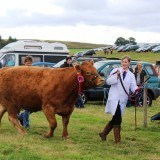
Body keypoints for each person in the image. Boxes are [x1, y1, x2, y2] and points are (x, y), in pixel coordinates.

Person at [99, 55, 139, 143]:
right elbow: (108, 82)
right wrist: (116, 76)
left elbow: (133, 86)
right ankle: (117, 140)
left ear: (129, 63)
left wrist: (136, 90)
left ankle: (103, 133)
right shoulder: (115, 71)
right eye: (123, 62)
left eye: (126, 62)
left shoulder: (131, 75)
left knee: (116, 117)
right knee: (118, 118)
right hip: (114, 97)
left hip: (123, 99)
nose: (124, 63)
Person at [18, 55, 33, 129]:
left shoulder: (33, 70)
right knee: (28, 107)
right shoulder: (22, 70)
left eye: (30, 63)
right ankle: (26, 124)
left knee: (33, 108)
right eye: (28, 63)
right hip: (24, 91)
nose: (29, 64)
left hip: (32, 91)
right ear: (25, 63)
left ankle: (20, 117)